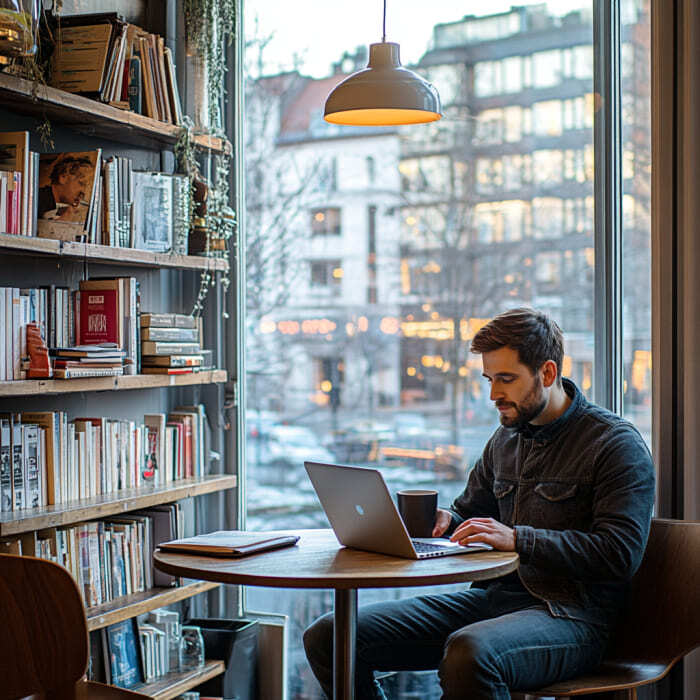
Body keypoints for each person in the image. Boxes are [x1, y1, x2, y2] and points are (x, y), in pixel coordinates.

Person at [303, 307, 655, 699]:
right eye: (489, 379)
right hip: (492, 601)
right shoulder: (505, 440)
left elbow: (620, 554)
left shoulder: (613, 443)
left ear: (548, 373)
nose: (493, 395)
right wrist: (447, 520)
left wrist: (519, 539)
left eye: (506, 379)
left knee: (470, 654)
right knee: (330, 636)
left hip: (574, 616)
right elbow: (470, 513)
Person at [37, 155, 94, 223]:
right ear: (63, 177)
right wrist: (65, 218)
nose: (83, 191)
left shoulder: (56, 206)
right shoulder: (37, 200)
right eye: (81, 183)